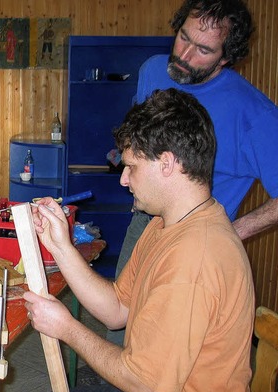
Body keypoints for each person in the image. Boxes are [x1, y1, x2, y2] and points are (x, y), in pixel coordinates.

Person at [19, 89, 256, 392]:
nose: (124, 179)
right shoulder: (165, 224)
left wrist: (66, 327)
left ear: (168, 164)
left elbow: (142, 379)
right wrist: (59, 245)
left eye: (132, 166)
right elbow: (118, 308)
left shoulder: (195, 257)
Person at [110, 0, 278, 345]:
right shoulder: (153, 71)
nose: (184, 54)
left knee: (166, 346)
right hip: (144, 224)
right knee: (121, 324)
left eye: (203, 49)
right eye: (183, 37)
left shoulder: (256, 114)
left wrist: (232, 232)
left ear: (227, 56)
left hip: (198, 243)